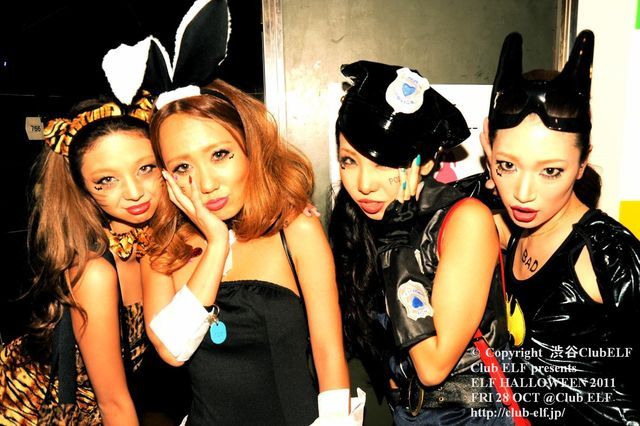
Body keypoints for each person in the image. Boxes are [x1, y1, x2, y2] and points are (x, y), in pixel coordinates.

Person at [328, 60, 515, 425]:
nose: (363, 183)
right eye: (349, 161)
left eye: (384, 163)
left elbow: (432, 366)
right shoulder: (362, 222)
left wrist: (396, 249)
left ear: (426, 163)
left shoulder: (465, 220)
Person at [480, 30, 640, 424]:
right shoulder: (513, 229)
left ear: (583, 163)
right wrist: (490, 171)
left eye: (550, 171)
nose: (523, 194)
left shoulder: (606, 252)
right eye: (508, 165)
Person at [0, 92, 157, 425]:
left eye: (146, 168)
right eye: (106, 180)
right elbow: (114, 404)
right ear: (83, 188)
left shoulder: (153, 247)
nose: (134, 192)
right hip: (31, 412)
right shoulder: (95, 272)